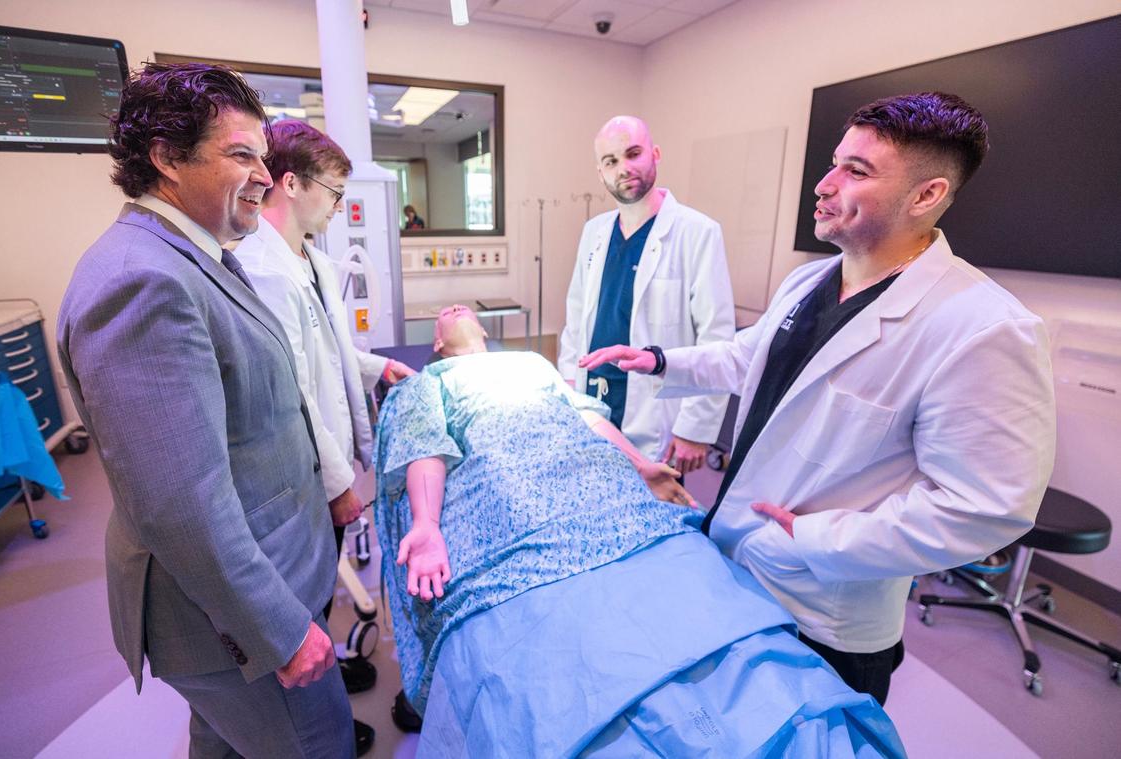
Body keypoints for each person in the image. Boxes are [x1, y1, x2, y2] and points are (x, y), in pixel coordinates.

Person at [580, 92, 1057, 706]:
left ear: (926, 195)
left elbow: (988, 508)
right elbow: (748, 358)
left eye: (856, 171)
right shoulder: (810, 281)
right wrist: (658, 360)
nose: (824, 185)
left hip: (824, 612)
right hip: (736, 561)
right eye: (834, 164)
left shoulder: (983, 327)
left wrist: (814, 541)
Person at [371, 307, 906, 758]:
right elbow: (424, 447)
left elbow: (587, 418)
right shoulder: (427, 383)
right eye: (446, 314)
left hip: (601, 487)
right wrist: (426, 523)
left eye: (463, 308)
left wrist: (640, 465)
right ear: (437, 344)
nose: (456, 310)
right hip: (506, 497)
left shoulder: (531, 364)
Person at [56, 63, 364, 757]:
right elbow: (180, 504)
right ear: (168, 157)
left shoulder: (199, 257)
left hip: (266, 568)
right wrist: (277, 629)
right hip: (234, 620)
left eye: (264, 155)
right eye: (242, 155)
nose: (265, 175)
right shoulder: (143, 282)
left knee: (221, 744)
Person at [236, 120, 414, 695]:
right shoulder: (263, 271)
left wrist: (377, 367)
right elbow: (296, 391)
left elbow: (329, 349)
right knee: (304, 583)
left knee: (319, 572)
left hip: (327, 452)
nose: (340, 206)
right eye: (335, 192)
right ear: (291, 183)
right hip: (301, 469)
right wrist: (339, 486)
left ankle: (322, 668)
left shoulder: (309, 258)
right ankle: (308, 698)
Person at [558, 115, 734, 475]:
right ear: (601, 173)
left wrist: (695, 428)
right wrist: (569, 384)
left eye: (633, 154)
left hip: (657, 413)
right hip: (593, 400)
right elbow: (576, 317)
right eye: (611, 161)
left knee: (655, 500)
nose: (623, 168)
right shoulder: (594, 232)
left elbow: (716, 338)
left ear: (655, 154)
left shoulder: (697, 233)